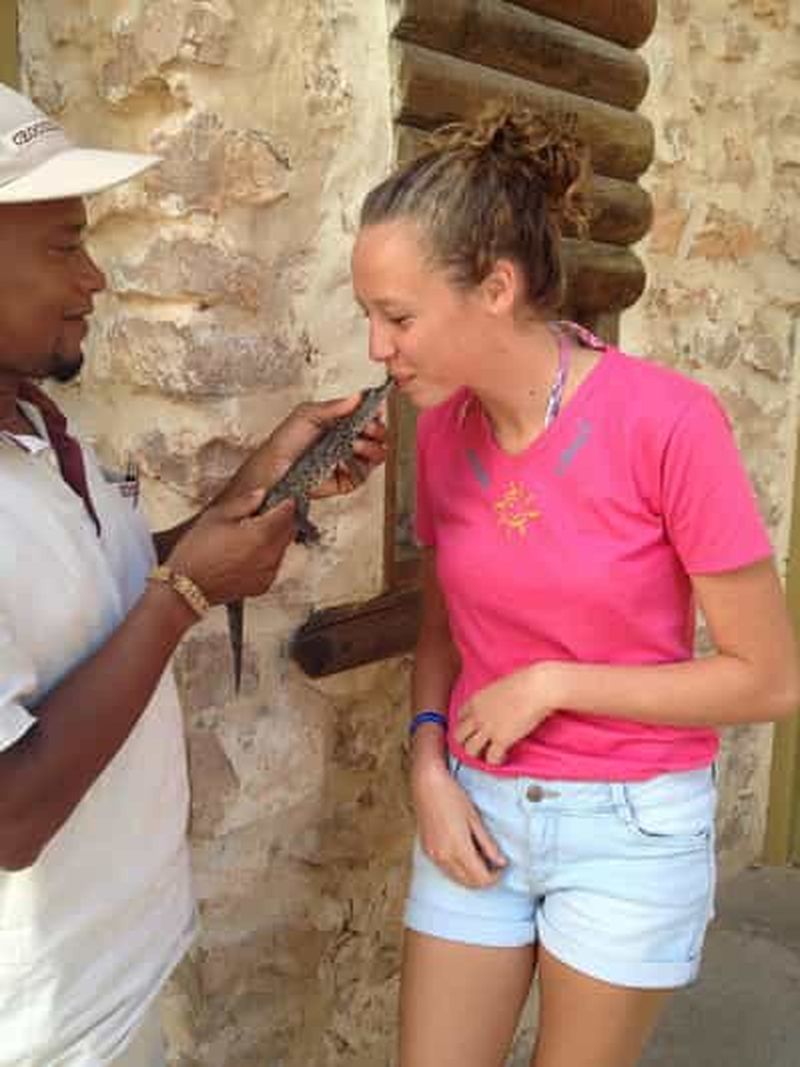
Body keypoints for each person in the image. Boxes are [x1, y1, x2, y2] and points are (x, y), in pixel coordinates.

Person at [351, 105, 800, 1067]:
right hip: (478, 806)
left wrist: (554, 682)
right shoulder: (446, 432)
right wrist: (428, 762)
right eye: (370, 319)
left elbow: (769, 679)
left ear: (498, 289)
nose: (378, 350)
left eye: (398, 317)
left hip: (631, 824)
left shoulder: (670, 423)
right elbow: (444, 621)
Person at [0, 82, 386, 1067]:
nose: (92, 279)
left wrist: (257, 487)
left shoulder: (40, 426)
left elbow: (106, 599)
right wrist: (187, 597)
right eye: (59, 246)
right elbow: (10, 816)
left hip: (117, 971)